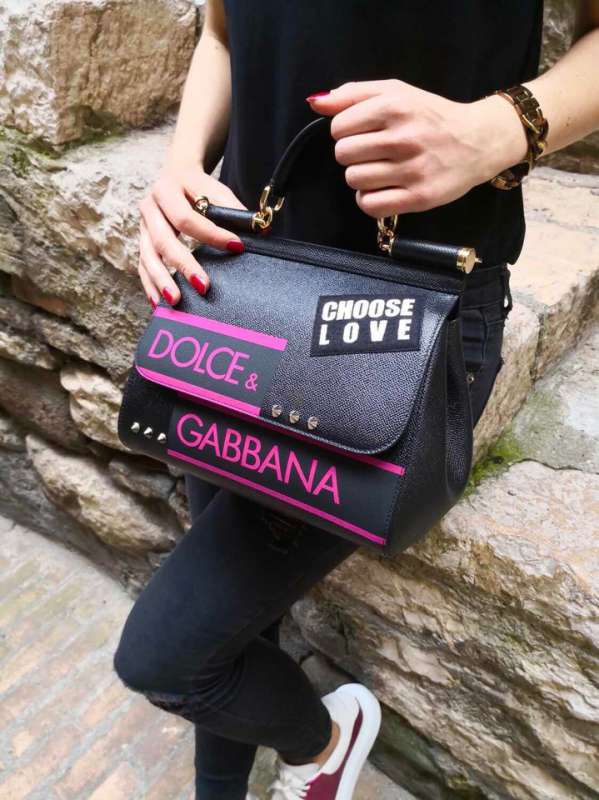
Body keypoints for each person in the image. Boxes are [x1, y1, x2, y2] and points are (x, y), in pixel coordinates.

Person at [113, 3, 599, 799]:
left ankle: (327, 744)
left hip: (403, 321)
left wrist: (501, 128)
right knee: (233, 614)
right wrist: (179, 165)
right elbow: (222, 34)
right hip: (240, 282)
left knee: (168, 657)